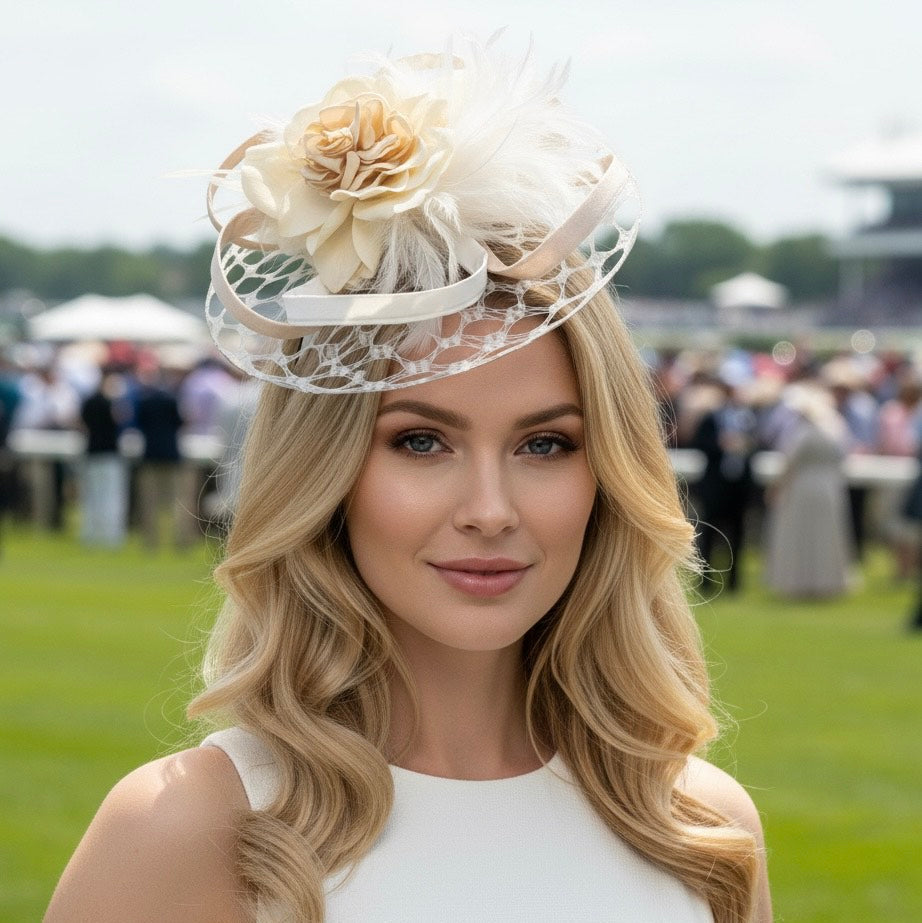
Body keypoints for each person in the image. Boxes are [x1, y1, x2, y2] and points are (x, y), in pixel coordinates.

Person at [45, 38, 770, 922]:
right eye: (422, 442)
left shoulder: (699, 828)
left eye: (545, 446)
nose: (490, 511)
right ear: (328, 472)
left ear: (609, 475)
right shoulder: (190, 831)